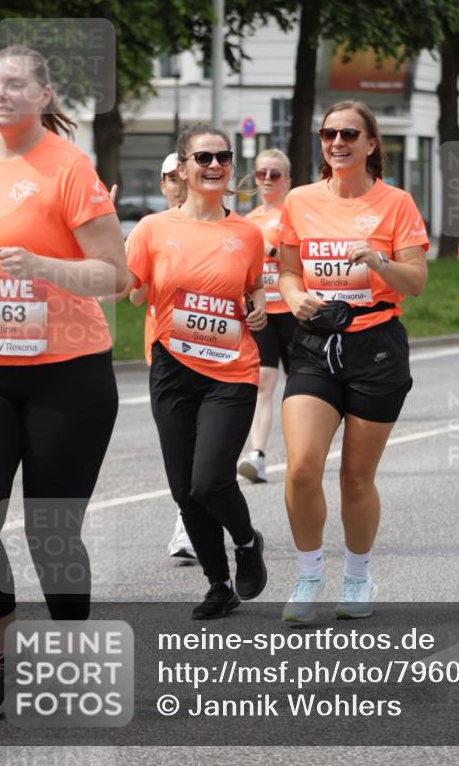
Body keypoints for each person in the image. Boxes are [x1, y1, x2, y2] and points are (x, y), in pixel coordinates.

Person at [0, 45, 126, 719]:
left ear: (44, 95)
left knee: (50, 532)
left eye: (13, 84)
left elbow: (115, 275)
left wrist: (43, 267)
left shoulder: (69, 168)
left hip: (69, 374)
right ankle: (1, 652)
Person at [279, 101, 428, 623]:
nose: (337, 142)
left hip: (377, 348)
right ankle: (309, 574)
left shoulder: (396, 203)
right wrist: (293, 295)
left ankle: (359, 576)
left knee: (355, 478)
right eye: (328, 134)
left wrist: (380, 261)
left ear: (370, 144)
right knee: (301, 467)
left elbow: (417, 281)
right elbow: (288, 271)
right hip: (315, 345)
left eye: (348, 134)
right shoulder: (299, 200)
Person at [124, 123, 268, 619]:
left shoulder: (247, 233)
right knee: (184, 489)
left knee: (210, 481)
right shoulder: (152, 229)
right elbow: (124, 287)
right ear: (182, 169)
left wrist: (259, 306)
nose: (214, 166)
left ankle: (247, 542)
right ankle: (219, 585)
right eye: (203, 158)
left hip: (231, 370)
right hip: (171, 367)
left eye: (222, 157)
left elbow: (254, 286)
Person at [124, 153, 198, 563]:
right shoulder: (151, 229)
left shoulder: (214, 225)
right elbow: (135, 296)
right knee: (179, 447)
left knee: (205, 449)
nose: (177, 184)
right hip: (165, 353)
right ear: (162, 185)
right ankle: (191, 520)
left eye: (181, 176)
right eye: (169, 178)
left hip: (212, 354)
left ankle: (192, 525)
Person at [238, 149, 297, 484]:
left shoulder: (296, 214)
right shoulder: (250, 220)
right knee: (263, 383)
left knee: (299, 387)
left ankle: (302, 452)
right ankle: (257, 456)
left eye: (275, 174)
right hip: (263, 312)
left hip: (294, 310)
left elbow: (304, 259)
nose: (267, 180)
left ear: (286, 179)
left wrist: (271, 249)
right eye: (261, 173)